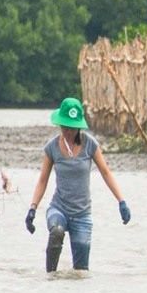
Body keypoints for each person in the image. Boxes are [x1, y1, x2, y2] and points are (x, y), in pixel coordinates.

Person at [25, 97, 131, 272]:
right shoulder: (52, 147)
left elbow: (106, 172)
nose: (68, 132)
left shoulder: (90, 144)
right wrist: (32, 208)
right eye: (65, 127)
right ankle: (50, 277)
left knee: (81, 272)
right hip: (59, 208)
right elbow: (43, 180)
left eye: (72, 128)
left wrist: (122, 201)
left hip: (82, 214)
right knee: (57, 232)